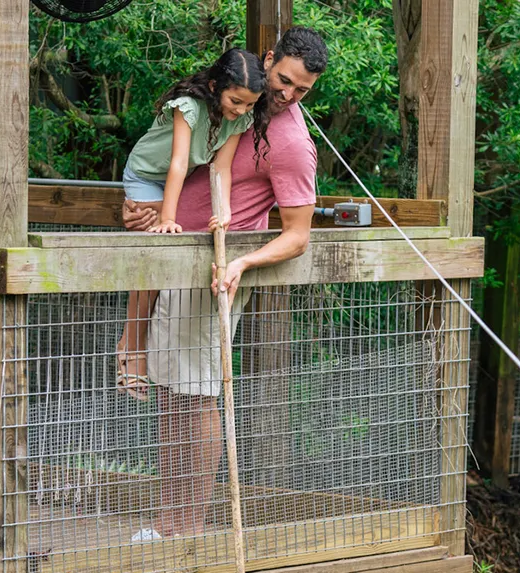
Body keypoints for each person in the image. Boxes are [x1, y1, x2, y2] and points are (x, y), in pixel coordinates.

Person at [123, 27, 328, 539]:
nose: (287, 95)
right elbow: (181, 165)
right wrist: (142, 209)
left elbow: (298, 236)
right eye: (283, 81)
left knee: (195, 398)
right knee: (172, 397)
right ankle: (167, 525)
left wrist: (244, 264)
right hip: (176, 259)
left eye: (301, 90)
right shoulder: (241, 104)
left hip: (214, 272)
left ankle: (186, 530)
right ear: (268, 61)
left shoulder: (292, 144)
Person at [116, 48, 272, 400]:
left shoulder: (240, 118)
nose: (241, 110)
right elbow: (178, 161)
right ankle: (131, 345)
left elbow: (220, 168)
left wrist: (225, 209)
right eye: (236, 101)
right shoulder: (188, 105)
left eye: (249, 105)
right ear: (216, 86)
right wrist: (168, 219)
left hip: (184, 180)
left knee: (163, 261)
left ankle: (139, 347)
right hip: (147, 176)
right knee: (155, 255)